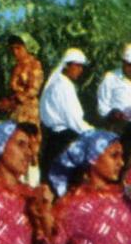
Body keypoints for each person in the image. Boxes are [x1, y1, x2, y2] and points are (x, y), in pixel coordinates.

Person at [39, 47, 92, 178]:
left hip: (53, 141)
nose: (80, 70)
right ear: (67, 65)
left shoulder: (56, 83)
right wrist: (95, 133)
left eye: (82, 66)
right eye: (77, 65)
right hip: (64, 142)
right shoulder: (63, 86)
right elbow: (74, 120)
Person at [0, 34, 44, 128]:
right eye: (12, 49)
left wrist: (13, 101)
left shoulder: (34, 65)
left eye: (18, 48)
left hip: (28, 111)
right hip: (15, 111)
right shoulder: (16, 67)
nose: (15, 52)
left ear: (27, 47)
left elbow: (33, 90)